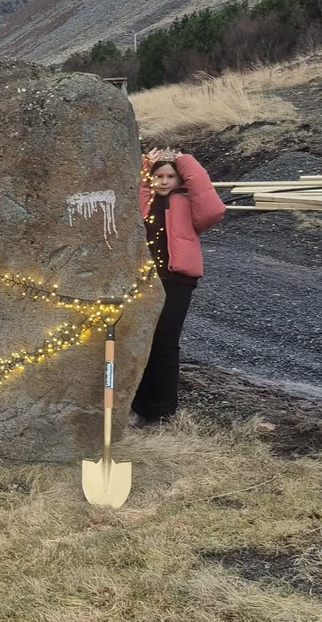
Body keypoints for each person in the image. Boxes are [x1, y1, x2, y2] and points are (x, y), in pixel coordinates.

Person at [130, 148, 225, 427]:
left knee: (166, 344)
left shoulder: (187, 202)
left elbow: (214, 209)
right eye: (157, 175)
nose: (163, 181)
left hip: (176, 281)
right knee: (143, 343)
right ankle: (140, 409)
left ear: (180, 178)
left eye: (170, 176)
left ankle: (163, 412)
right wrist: (144, 163)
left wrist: (185, 161)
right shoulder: (143, 200)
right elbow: (129, 194)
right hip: (143, 280)